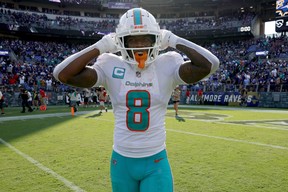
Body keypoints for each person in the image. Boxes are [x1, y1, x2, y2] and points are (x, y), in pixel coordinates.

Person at [53, 7, 219, 192]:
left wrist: (173, 39)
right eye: (133, 39)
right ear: (122, 42)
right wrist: (101, 46)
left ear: (157, 39)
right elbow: (62, 74)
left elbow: (210, 64)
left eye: (146, 38)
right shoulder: (109, 64)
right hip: (121, 161)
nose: (140, 45)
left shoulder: (167, 64)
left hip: (155, 160)